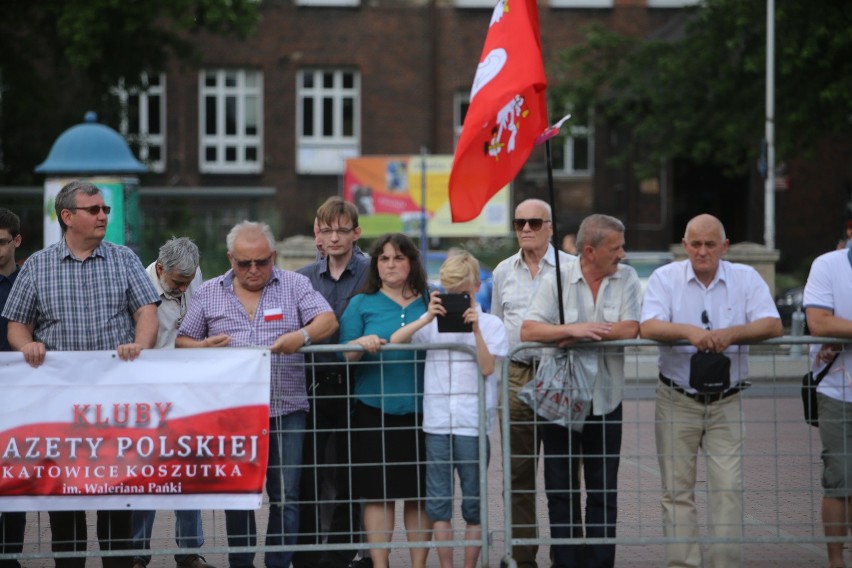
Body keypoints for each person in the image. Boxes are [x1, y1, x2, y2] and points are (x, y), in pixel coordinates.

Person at [1, 181, 160, 568]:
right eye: (93, 210)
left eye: (104, 209)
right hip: (61, 407)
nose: (103, 215)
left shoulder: (124, 259)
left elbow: (147, 313)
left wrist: (140, 345)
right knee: (65, 503)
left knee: (116, 500)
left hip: (115, 405)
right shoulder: (37, 266)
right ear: (68, 217)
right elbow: (17, 326)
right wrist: (27, 347)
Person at [175, 221, 337, 568]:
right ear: (230, 258)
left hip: (286, 407)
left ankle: (278, 563)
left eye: (262, 262)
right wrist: (203, 345)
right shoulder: (209, 292)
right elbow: (182, 340)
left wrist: (302, 337)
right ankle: (242, 563)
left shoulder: (295, 284)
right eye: (244, 263)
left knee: (286, 495)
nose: (253, 270)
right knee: (238, 494)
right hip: (234, 413)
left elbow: (327, 319)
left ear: (274, 256)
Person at [639, 213, 782, 568]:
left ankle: (724, 564)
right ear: (684, 246)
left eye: (710, 244)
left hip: (727, 400)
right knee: (676, 491)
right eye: (696, 244)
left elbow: (773, 324)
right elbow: (649, 325)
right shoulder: (665, 277)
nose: (703, 252)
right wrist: (690, 333)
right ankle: (683, 564)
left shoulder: (745, 278)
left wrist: (731, 334)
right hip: (676, 397)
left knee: (728, 489)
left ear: (725, 246)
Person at [520, 214, 641, 568]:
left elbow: (630, 327)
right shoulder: (555, 277)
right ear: (590, 251)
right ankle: (567, 562)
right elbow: (529, 330)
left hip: (606, 400)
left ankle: (600, 563)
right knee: (560, 490)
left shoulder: (627, 277)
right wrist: (574, 330)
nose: (623, 253)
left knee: (603, 489)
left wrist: (581, 333)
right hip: (559, 400)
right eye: (616, 247)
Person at [390, 251, 508, 568]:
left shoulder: (492, 324)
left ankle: (468, 566)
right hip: (438, 423)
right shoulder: (430, 324)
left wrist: (476, 330)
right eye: (448, 290)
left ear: (474, 288)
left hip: (473, 423)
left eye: (462, 292)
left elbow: (487, 368)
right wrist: (427, 316)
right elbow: (396, 340)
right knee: (439, 504)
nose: (455, 297)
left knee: (474, 502)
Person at [338, 233, 432, 568]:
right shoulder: (361, 303)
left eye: (399, 258)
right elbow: (343, 355)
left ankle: (418, 564)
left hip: (424, 412)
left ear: (412, 262)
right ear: (376, 264)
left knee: (419, 494)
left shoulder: (430, 299)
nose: (391, 265)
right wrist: (361, 343)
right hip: (373, 411)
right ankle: (381, 564)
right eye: (384, 258)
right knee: (378, 494)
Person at [490, 198, 574, 568]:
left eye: (535, 223)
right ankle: (522, 558)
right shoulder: (502, 271)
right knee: (519, 472)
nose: (525, 228)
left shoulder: (570, 269)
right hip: (516, 374)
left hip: (557, 372)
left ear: (551, 227)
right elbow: (496, 324)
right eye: (519, 222)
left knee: (563, 472)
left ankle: (566, 556)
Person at [294, 197, 370, 568]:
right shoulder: (303, 278)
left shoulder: (373, 272)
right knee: (308, 471)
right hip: (314, 382)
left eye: (342, 229)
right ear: (317, 233)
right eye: (327, 230)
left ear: (356, 233)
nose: (335, 237)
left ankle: (341, 551)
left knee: (351, 470)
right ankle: (306, 551)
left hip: (359, 381)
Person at [131, 236, 211, 568]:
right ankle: (135, 554)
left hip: (186, 391)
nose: (183, 288)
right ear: (161, 269)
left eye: (188, 282)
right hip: (146, 393)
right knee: (144, 475)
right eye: (177, 282)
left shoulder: (193, 275)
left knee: (188, 472)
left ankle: (190, 551)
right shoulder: (137, 284)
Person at [802, 245, 852, 568]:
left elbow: (832, 324)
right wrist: (832, 328)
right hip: (838, 390)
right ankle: (836, 563)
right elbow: (819, 323)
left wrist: (843, 329)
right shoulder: (827, 265)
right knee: (839, 480)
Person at [0, 208, 26, 568]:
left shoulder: (28, 280)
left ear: (17, 241)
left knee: (18, 481)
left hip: (22, 394)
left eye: (2, 242)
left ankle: (11, 557)